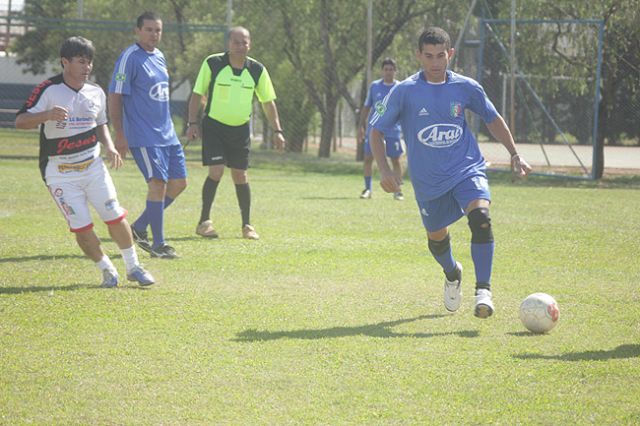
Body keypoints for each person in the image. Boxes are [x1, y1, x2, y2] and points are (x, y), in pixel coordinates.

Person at [369, 27, 532, 318]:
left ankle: (483, 291)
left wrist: (515, 154)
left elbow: (493, 119)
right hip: (428, 181)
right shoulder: (404, 91)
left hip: (466, 167)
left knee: (481, 218)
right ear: (418, 55)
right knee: (437, 240)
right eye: (429, 56)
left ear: (450, 54)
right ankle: (452, 272)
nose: (435, 62)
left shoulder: (466, 87)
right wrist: (383, 170)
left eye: (441, 55)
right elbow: (376, 131)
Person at [15, 36, 155, 288]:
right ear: (64, 62)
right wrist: (46, 115)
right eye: (81, 61)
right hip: (59, 172)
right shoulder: (48, 89)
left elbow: (100, 123)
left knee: (114, 215)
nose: (86, 67)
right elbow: (20, 121)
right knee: (82, 228)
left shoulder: (96, 92)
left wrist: (110, 146)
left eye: (89, 62)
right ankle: (106, 269)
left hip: (92, 167)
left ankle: (133, 267)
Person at [187, 26, 285, 240]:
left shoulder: (257, 70)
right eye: (236, 42)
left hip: (240, 130)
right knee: (216, 171)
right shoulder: (212, 63)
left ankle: (247, 226)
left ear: (250, 44)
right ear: (228, 43)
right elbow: (197, 93)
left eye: (245, 42)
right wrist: (192, 122)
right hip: (214, 127)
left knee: (240, 175)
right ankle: (204, 222)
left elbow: (268, 103)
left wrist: (277, 130)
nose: (241, 46)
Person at [108, 11, 187, 259]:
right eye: (149, 29)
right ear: (137, 31)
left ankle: (140, 227)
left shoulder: (160, 56)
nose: (154, 34)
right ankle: (159, 245)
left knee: (178, 183)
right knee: (158, 185)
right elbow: (115, 95)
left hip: (168, 135)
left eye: (158, 30)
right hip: (144, 135)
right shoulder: (129, 57)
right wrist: (119, 133)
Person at [358, 58, 404, 200]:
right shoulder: (374, 86)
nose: (388, 72)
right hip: (374, 130)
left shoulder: (401, 87)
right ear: (382, 71)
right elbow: (366, 107)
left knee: (395, 160)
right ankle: (367, 189)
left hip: (393, 130)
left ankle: (397, 190)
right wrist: (361, 125)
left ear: (395, 71)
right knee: (368, 159)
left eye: (391, 69)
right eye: (386, 69)